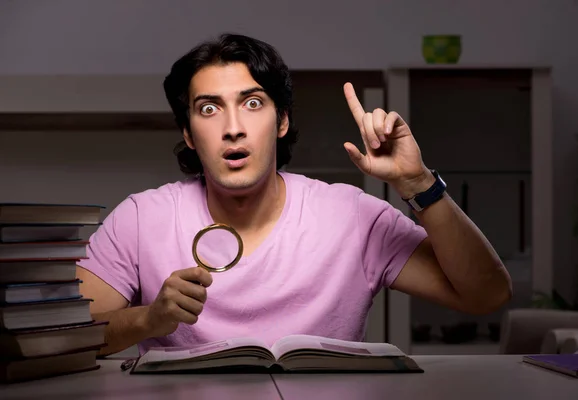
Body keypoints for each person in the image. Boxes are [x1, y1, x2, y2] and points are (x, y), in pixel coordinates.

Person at [77, 33, 512, 356]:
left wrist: (419, 185)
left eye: (252, 103)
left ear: (281, 121)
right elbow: (63, 339)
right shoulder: (140, 217)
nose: (232, 126)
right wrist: (148, 319)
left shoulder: (352, 215)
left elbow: (487, 296)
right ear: (189, 134)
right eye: (209, 108)